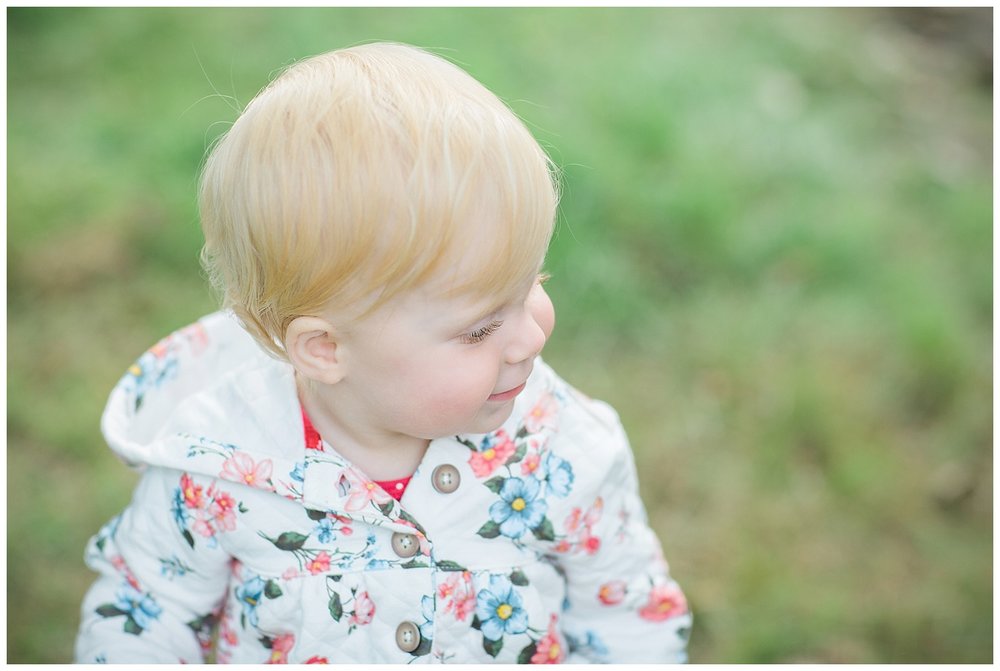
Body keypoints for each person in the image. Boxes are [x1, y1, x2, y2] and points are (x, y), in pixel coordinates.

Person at [74, 42, 691, 664]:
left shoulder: (561, 450)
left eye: (533, 283)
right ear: (324, 350)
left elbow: (630, 618)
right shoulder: (217, 470)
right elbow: (142, 617)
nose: (531, 336)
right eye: (479, 328)